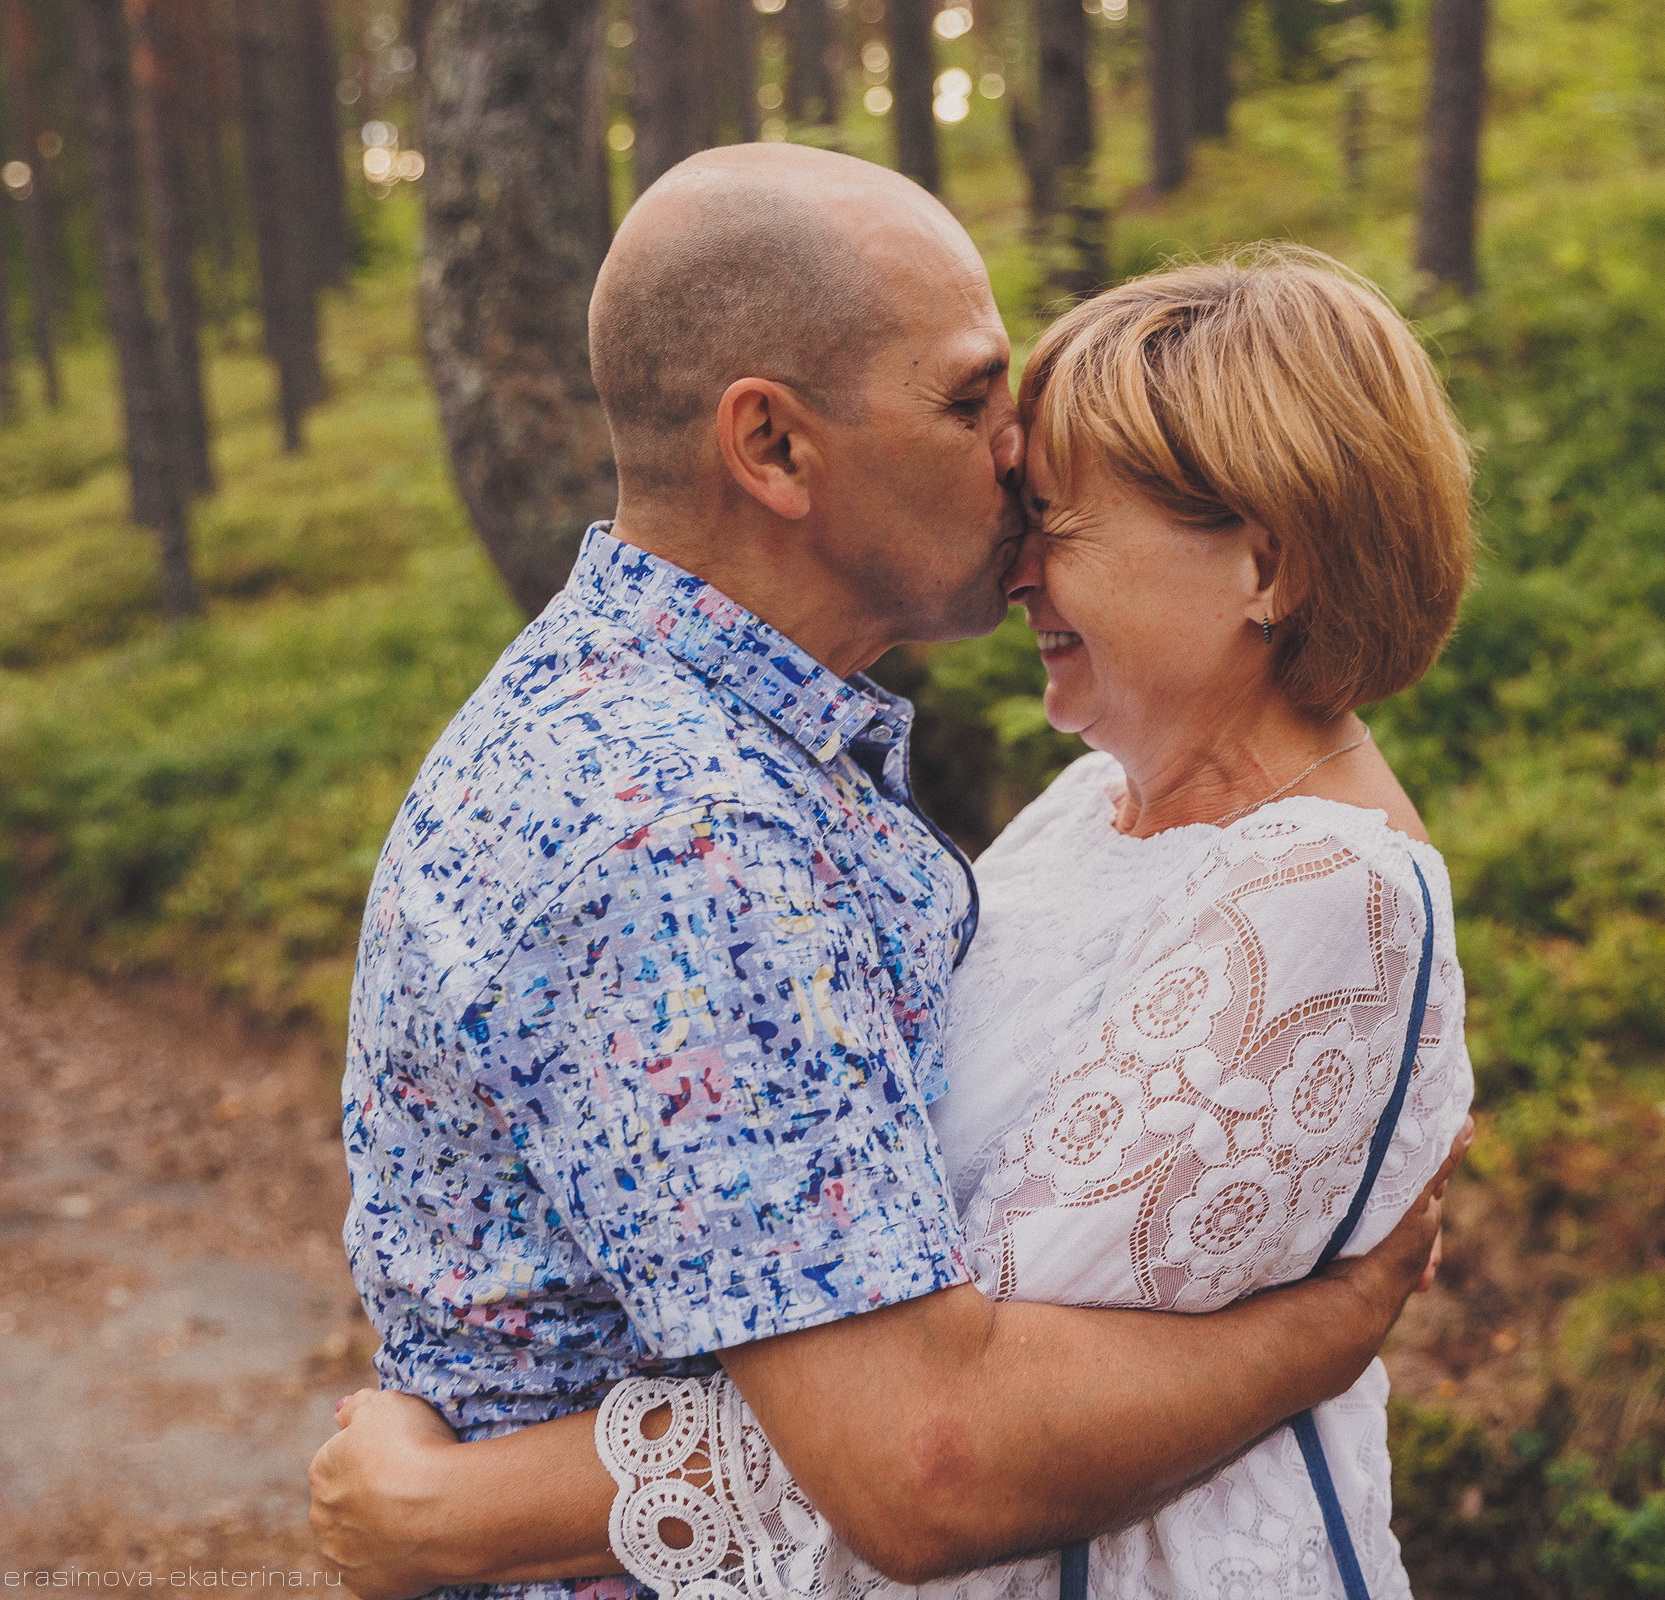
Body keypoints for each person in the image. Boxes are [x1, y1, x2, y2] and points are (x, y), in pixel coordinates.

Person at [312, 145, 1473, 1600]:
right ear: (775, 448)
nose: (1014, 455)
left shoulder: (717, 746)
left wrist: (456, 1511)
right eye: (971, 397)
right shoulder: (683, 834)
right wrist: (1331, 1323)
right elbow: (932, 1453)